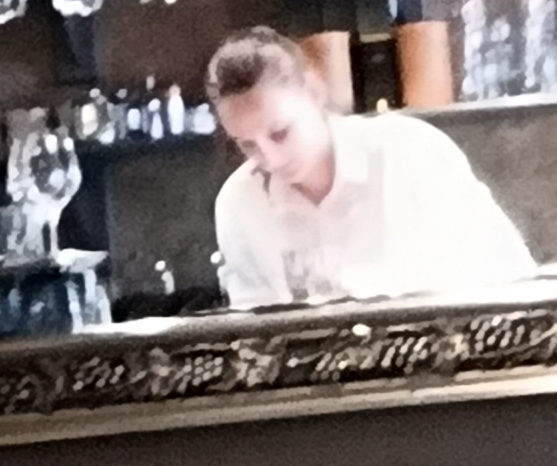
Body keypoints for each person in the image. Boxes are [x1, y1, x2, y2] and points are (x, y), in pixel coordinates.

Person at [204, 27, 535, 309]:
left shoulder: (413, 154)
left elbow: (511, 279)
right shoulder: (239, 202)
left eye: (280, 132)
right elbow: (254, 337)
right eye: (248, 145)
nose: (271, 159)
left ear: (313, 92)